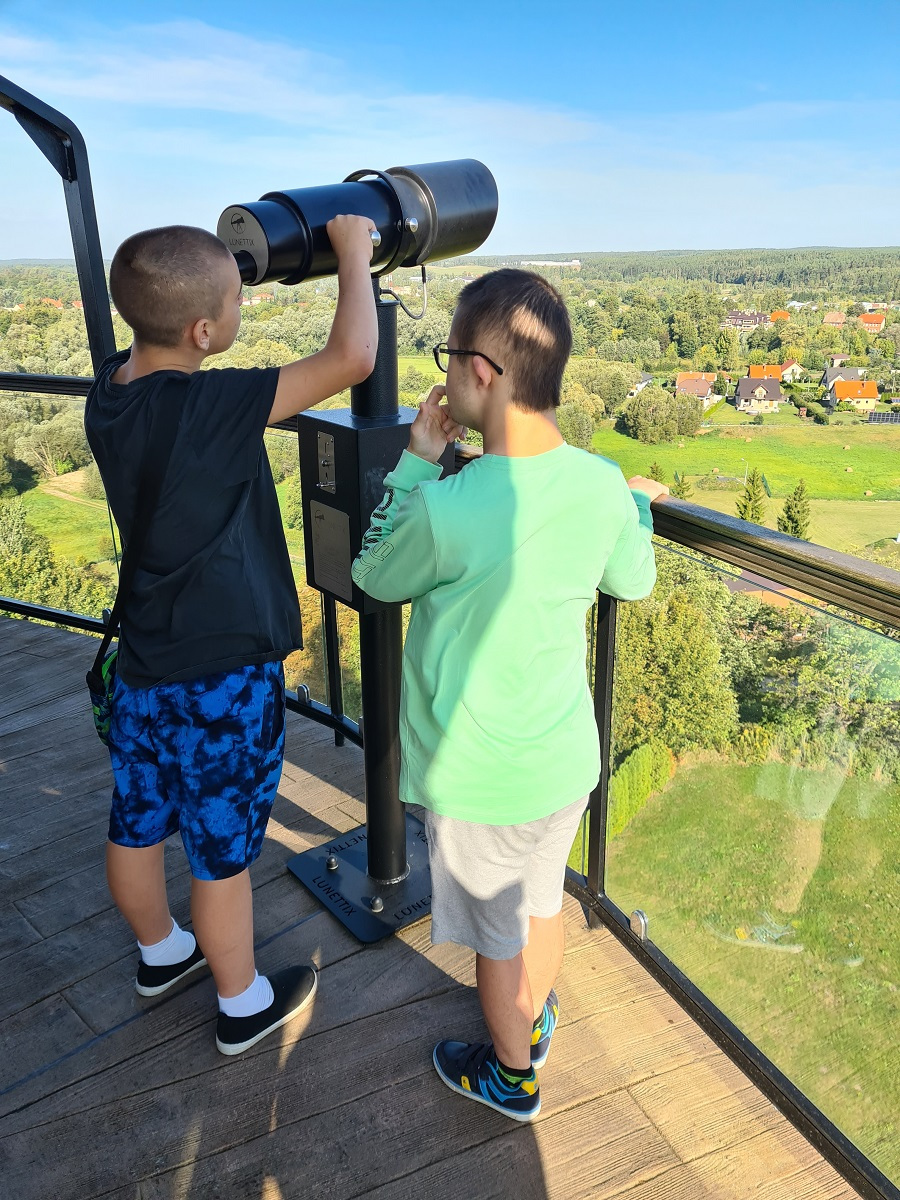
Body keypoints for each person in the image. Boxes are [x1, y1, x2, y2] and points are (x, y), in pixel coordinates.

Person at [351, 268, 666, 1119]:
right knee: (541, 907)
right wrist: (636, 509)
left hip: (478, 782)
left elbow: (373, 575)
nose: (446, 373)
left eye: (450, 356)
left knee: (496, 945)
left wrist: (416, 462)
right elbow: (632, 581)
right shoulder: (599, 485)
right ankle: (535, 1017)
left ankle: (511, 1073)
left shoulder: (447, 507)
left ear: (482, 373)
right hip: (562, 763)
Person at [85, 218, 377, 1054]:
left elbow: (161, 339)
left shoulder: (111, 392)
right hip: (220, 676)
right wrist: (353, 252)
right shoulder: (212, 405)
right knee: (221, 854)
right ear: (203, 333)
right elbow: (353, 356)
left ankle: (160, 953)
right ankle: (242, 1003)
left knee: (137, 818)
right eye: (236, 303)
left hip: (145, 664)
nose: (243, 310)